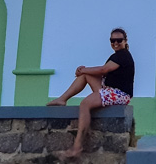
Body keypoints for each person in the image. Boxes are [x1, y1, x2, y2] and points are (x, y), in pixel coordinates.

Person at [47, 28, 134, 159]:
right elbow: (102, 72)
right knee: (85, 76)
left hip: (119, 94)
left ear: (125, 41)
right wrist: (84, 71)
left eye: (119, 40)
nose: (115, 43)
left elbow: (104, 69)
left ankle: (77, 147)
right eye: (112, 40)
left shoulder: (123, 55)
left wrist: (83, 69)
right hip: (109, 90)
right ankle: (62, 99)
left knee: (85, 104)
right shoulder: (116, 56)